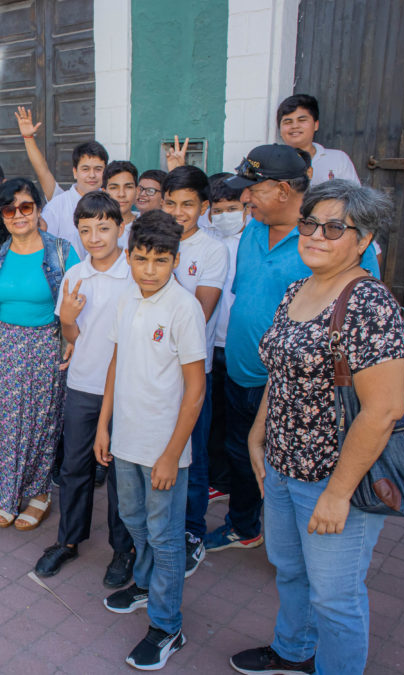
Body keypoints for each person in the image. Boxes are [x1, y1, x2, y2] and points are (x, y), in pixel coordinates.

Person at [230, 180, 404, 675]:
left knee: (336, 598)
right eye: (310, 223)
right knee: (291, 572)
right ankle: (293, 651)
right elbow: (281, 372)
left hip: (333, 478)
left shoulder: (370, 306)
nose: (316, 235)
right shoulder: (297, 289)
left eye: (334, 227)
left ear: (363, 240)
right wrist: (258, 434)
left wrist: (339, 493)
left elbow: (384, 409)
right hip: (283, 468)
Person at [213, 145, 381, 554]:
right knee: (243, 455)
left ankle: (299, 547)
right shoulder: (254, 227)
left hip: (295, 393)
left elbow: (364, 322)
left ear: (284, 189)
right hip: (240, 371)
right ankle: (246, 526)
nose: (245, 199)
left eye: (253, 189)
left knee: (284, 472)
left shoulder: (331, 244)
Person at [95, 211, 207, 670]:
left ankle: (167, 625)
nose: (149, 269)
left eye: (160, 261)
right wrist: (104, 426)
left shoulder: (184, 308)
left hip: (165, 450)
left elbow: (196, 389)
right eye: (141, 259)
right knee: (133, 518)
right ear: (129, 256)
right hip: (126, 440)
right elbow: (116, 363)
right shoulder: (126, 299)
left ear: (175, 261)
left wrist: (172, 453)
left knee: (163, 536)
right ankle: (143, 584)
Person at [34, 192, 136, 586]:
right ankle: (68, 540)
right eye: (86, 230)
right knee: (75, 467)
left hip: (126, 391)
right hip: (82, 385)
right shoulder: (75, 274)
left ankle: (122, 550)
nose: (95, 237)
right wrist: (69, 320)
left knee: (120, 475)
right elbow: (70, 334)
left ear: (120, 228)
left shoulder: (134, 273)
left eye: (104, 228)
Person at [0, 177, 79, 530]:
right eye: (9, 208)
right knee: (4, 422)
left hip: (46, 346)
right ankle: (8, 491)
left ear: (38, 209)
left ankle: (39, 494)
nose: (18, 214)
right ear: (1, 214)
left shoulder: (61, 252)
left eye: (26, 207)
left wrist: (70, 338)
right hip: (3, 347)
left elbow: (78, 304)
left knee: (41, 422)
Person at [162, 166, 229, 574]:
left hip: (189, 371)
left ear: (204, 207)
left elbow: (201, 312)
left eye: (188, 204)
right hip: (150, 369)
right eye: (170, 203)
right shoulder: (150, 238)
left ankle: (192, 531)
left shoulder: (211, 249)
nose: (178, 212)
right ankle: (162, 525)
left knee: (194, 451)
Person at [205, 176, 248, 503]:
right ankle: (219, 479)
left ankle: (240, 489)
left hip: (240, 348)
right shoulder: (208, 240)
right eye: (218, 210)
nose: (224, 216)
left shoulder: (251, 242)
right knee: (215, 419)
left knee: (239, 424)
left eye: (232, 209)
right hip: (211, 346)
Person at [40, 141, 109, 256]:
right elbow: (45, 250)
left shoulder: (112, 204)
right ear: (75, 172)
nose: (92, 175)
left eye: (98, 169)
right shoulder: (56, 208)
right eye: (85, 169)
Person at [277, 93, 359, 185]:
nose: (295, 126)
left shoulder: (338, 159)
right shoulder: (271, 162)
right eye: (288, 122)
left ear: (316, 125)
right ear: (280, 129)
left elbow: (354, 197)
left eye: (302, 120)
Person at [103, 160, 138, 246]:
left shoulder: (148, 226)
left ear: (137, 191)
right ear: (104, 192)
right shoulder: (96, 228)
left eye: (128, 187)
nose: (121, 194)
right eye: (114, 188)